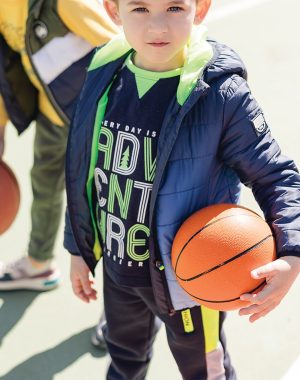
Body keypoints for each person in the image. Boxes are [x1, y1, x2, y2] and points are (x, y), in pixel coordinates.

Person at [64, 0, 300, 378]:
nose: (158, 26)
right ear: (113, 9)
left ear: (200, 8)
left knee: (204, 371)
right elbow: (84, 171)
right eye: (139, 8)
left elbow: (276, 175)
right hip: (118, 268)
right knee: (123, 358)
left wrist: (293, 250)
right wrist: (79, 245)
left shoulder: (220, 95)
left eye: (174, 7)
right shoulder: (102, 73)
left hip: (190, 280)